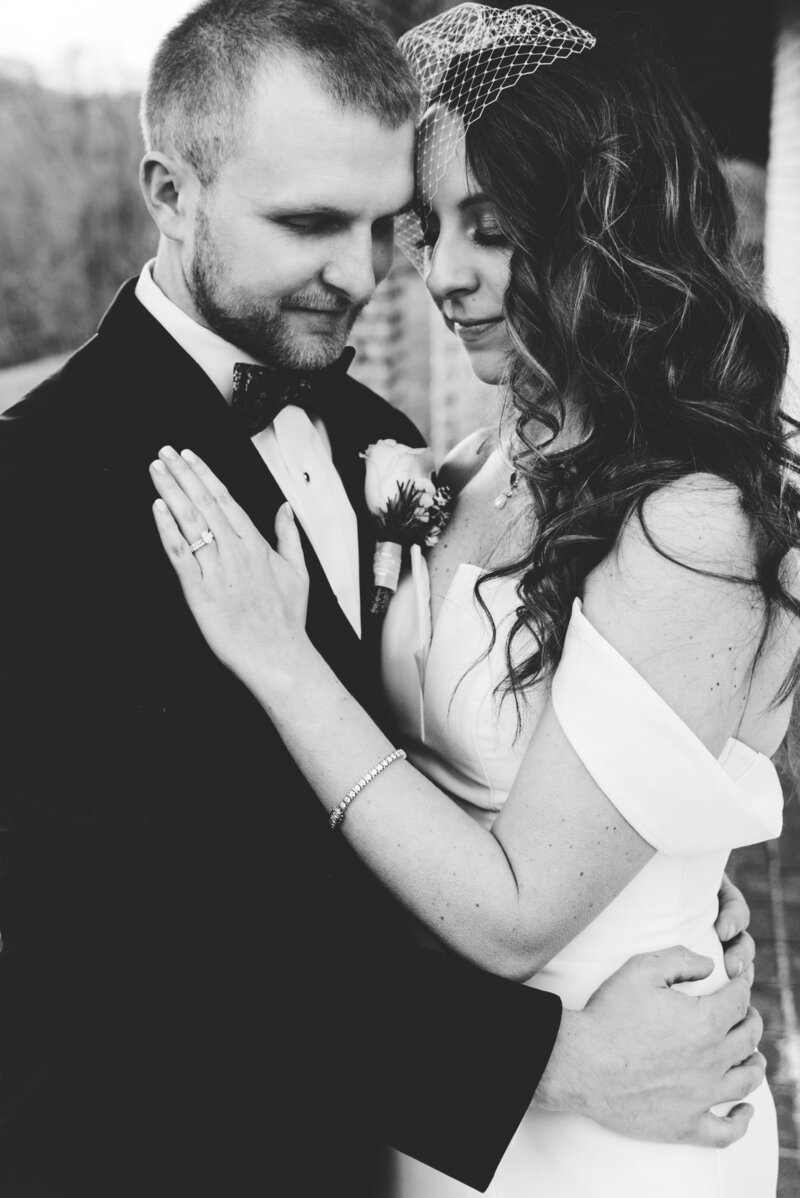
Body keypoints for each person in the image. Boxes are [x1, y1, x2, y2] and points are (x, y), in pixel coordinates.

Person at [0, 2, 763, 1196]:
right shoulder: (39, 483)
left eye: (379, 226)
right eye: (308, 223)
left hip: (405, 1141)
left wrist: (657, 869)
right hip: (171, 1141)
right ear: (169, 192)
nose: (364, 275)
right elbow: (172, 903)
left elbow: (477, 759)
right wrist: (551, 1062)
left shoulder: (382, 440)